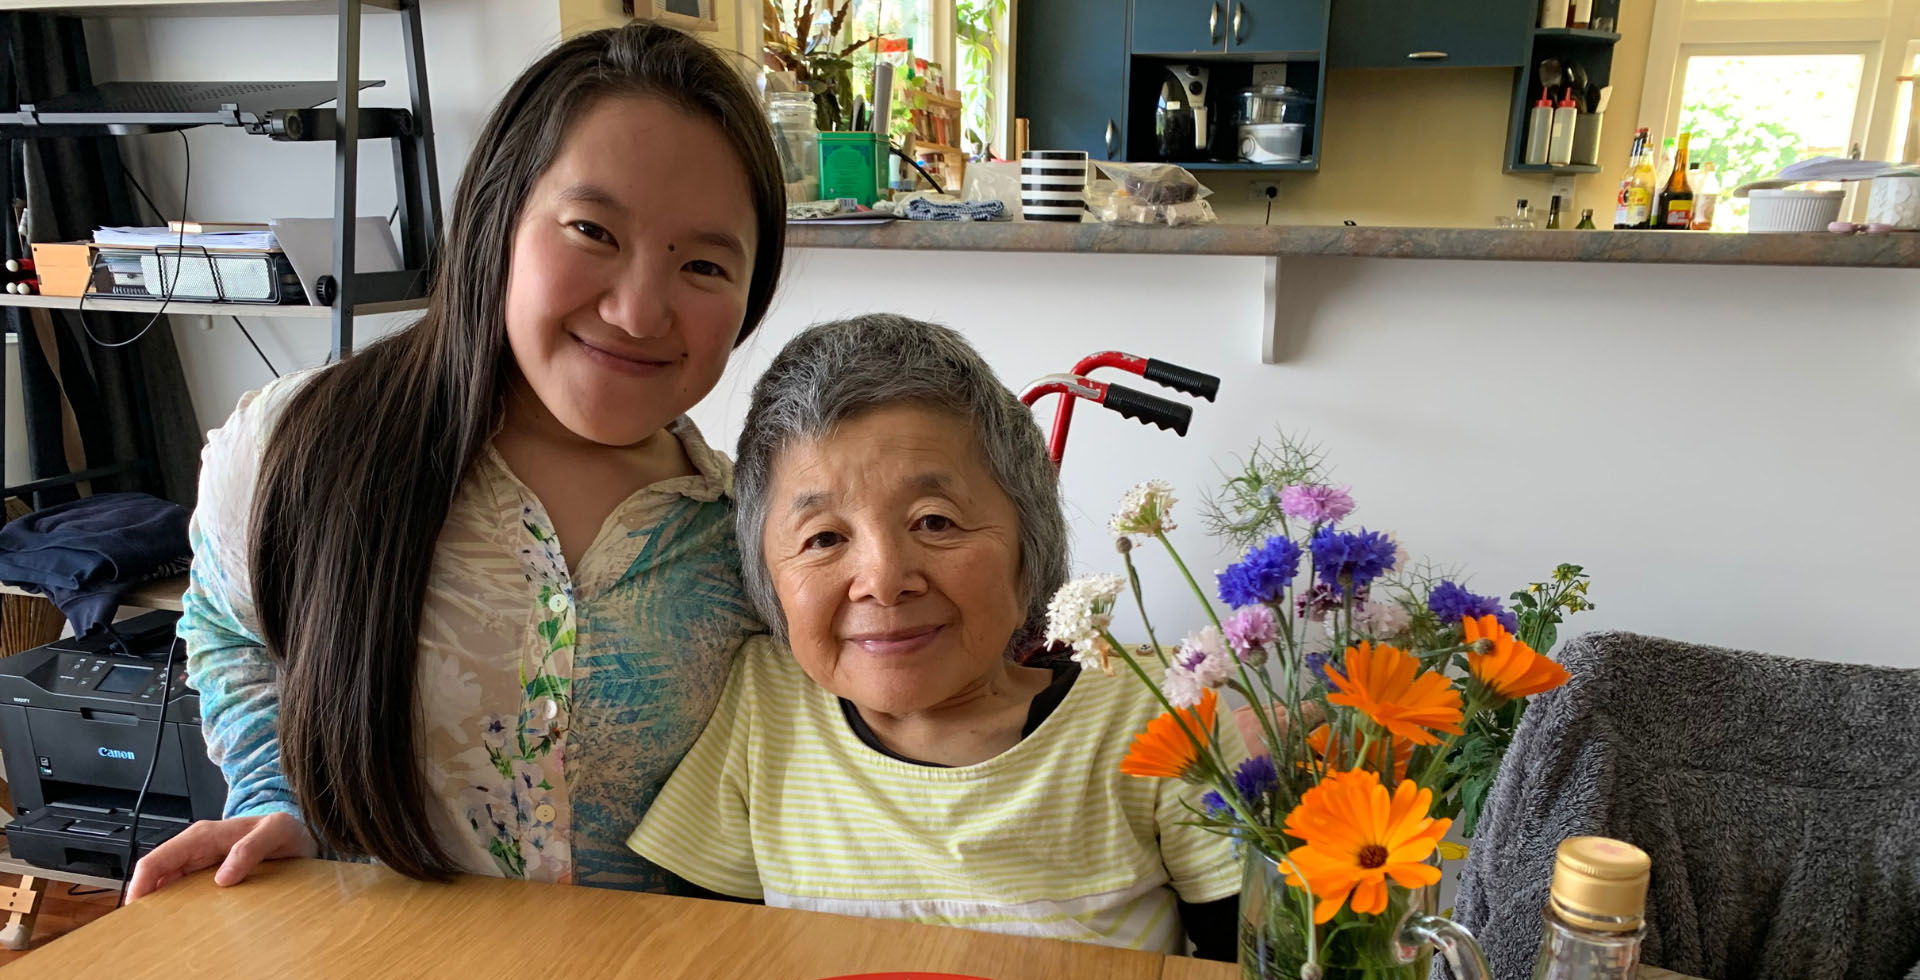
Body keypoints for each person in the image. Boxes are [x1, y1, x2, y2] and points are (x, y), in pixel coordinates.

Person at [126, 22, 785, 898]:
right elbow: (231, 629)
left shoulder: (759, 534)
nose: (637, 311)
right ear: (498, 220)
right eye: (593, 230)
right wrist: (275, 796)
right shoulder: (303, 448)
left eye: (704, 264)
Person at [627, 315, 1243, 959]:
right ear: (768, 580)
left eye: (935, 521)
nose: (885, 581)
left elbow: (1252, 953)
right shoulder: (765, 703)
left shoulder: (1157, 709)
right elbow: (704, 950)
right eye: (825, 538)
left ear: (1028, 549)